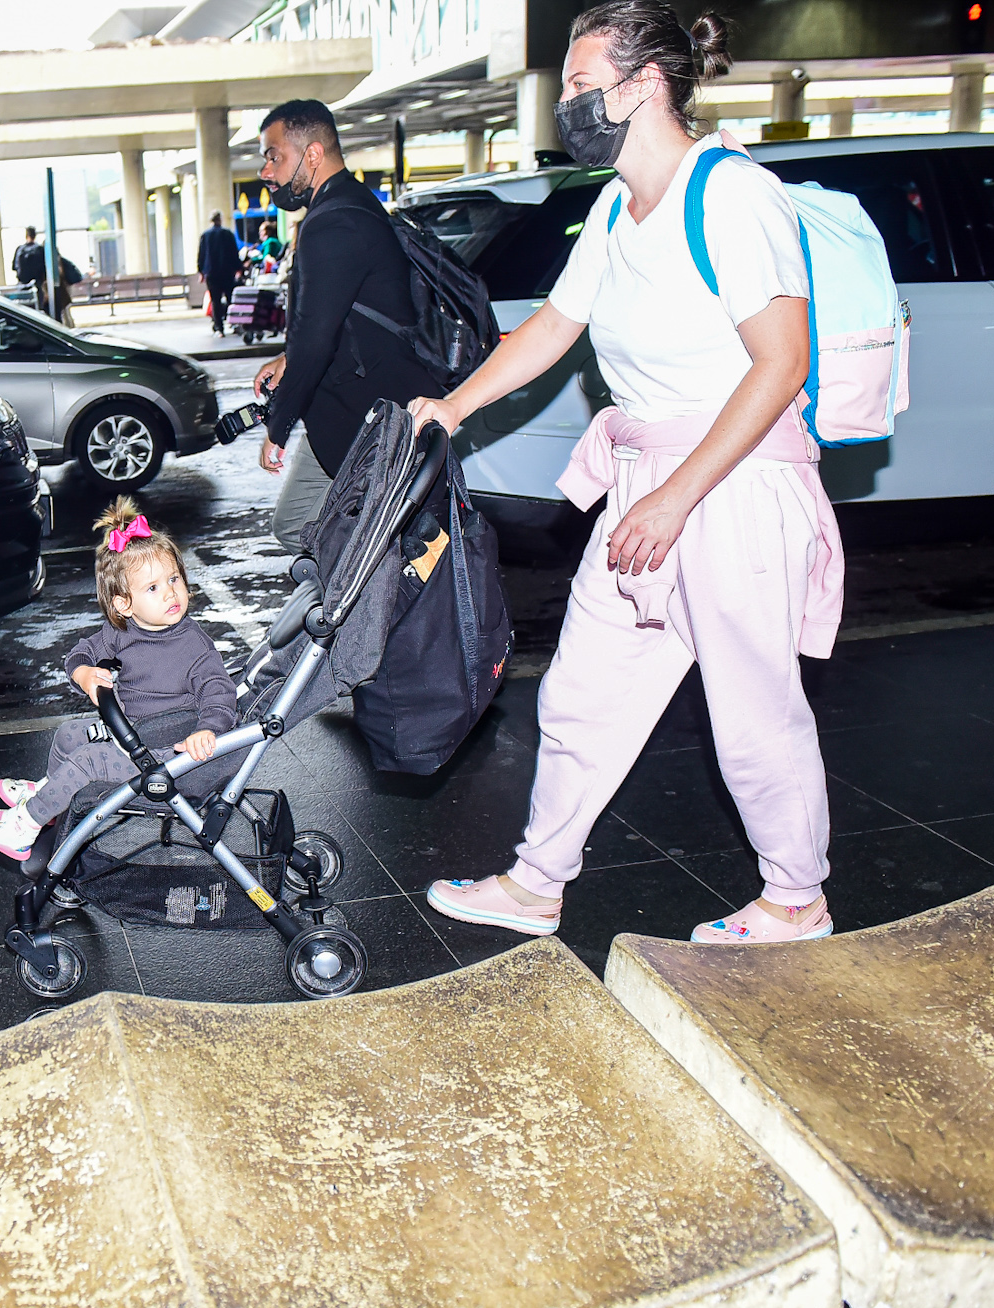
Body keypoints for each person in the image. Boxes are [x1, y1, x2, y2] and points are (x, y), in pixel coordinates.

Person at [417, 0, 845, 946]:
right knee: (582, 691)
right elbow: (554, 329)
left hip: (728, 487)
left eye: (579, 85)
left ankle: (796, 899)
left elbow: (783, 364)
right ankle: (537, 882)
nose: (565, 104)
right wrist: (454, 405)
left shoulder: (730, 194)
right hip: (643, 484)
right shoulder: (615, 205)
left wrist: (674, 495)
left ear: (645, 84)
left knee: (751, 711)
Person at [0, 498, 235, 859]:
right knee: (68, 735)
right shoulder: (123, 631)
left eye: (174, 579)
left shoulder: (194, 647)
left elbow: (220, 691)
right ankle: (47, 793)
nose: (170, 592)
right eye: (153, 588)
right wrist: (85, 673)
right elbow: (80, 651)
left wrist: (209, 729)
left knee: (89, 761)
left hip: (164, 753)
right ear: (124, 605)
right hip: (133, 733)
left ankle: (21, 827)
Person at [253, 98, 434, 553]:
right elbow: (336, 315)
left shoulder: (334, 222)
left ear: (312, 154)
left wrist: (278, 425)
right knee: (299, 524)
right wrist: (288, 357)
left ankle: (378, 601)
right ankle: (365, 598)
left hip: (368, 418)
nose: (266, 172)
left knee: (314, 530)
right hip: (351, 411)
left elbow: (315, 338)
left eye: (274, 156)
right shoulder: (349, 205)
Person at [197, 211, 242, 334]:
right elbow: (234, 253)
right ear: (220, 219)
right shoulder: (228, 234)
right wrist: (238, 268)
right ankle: (234, 323)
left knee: (215, 300)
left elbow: (201, 255)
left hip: (211, 272)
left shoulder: (205, 235)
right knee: (230, 298)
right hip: (227, 271)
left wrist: (201, 271)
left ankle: (219, 328)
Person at [12, 227, 48, 309]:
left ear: (26, 236)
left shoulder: (19, 249)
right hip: (37, 286)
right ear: (35, 236)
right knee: (38, 309)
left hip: (22, 286)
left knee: (23, 309)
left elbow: (14, 267)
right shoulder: (40, 249)